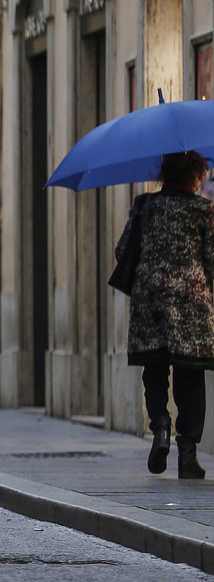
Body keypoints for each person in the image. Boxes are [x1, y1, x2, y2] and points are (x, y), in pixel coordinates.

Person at [124, 150, 214, 480]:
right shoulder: (204, 210)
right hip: (191, 299)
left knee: (155, 366)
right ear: (194, 175)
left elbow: (123, 252)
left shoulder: (144, 205)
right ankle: (187, 454)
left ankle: (160, 426)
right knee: (190, 375)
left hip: (149, 297)